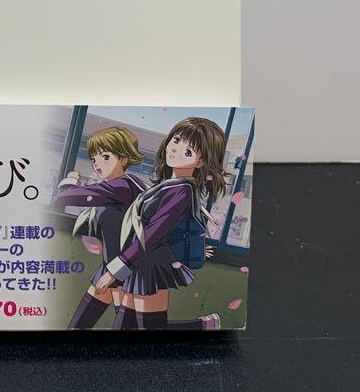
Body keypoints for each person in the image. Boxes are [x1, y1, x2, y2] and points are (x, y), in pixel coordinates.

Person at [96, 116, 228, 330]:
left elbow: (152, 234)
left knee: (143, 328)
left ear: (200, 162)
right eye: (176, 140)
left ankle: (202, 327)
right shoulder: (168, 186)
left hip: (151, 263)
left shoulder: (181, 191)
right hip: (140, 261)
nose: (175, 149)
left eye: (188, 151)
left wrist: (114, 272)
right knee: (133, 327)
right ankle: (203, 326)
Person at [52, 125, 146, 329]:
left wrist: (70, 181)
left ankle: (203, 326)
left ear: (123, 158)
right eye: (94, 159)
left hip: (125, 271)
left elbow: (64, 197)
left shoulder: (120, 187)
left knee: (140, 328)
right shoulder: (129, 184)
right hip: (113, 268)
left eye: (105, 157)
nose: (97, 165)